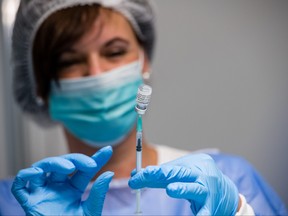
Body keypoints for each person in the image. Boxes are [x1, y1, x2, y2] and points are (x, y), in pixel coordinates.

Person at [0, 0, 287, 215]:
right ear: (39, 85)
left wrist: (237, 212)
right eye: (69, 61)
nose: (97, 74)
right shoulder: (16, 201)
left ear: (144, 61)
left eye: (114, 52)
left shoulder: (225, 181)